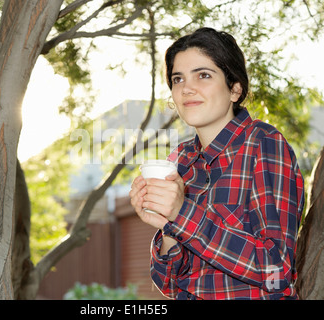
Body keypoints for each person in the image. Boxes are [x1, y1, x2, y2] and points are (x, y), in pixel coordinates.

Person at [129, 27, 304, 300]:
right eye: (178, 79)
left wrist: (182, 213)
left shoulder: (263, 143)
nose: (187, 88)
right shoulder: (181, 160)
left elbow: (275, 270)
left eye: (203, 75)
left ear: (235, 89)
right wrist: (167, 227)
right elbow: (170, 287)